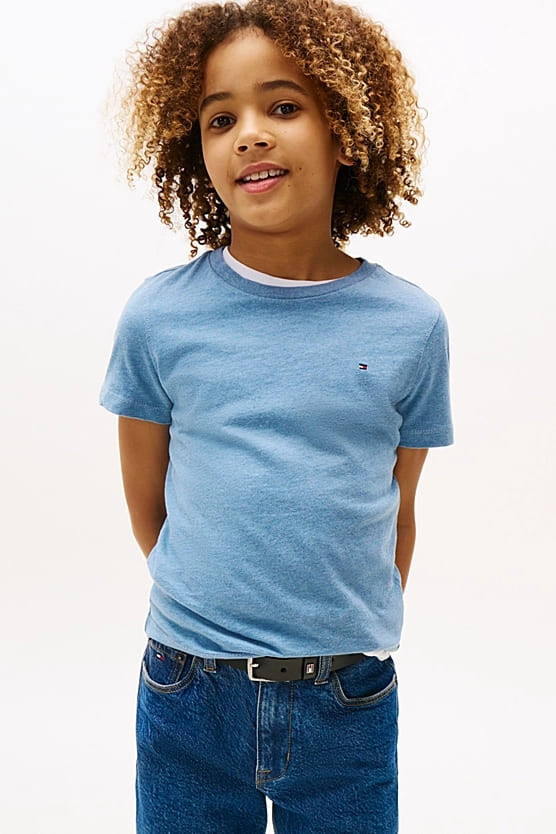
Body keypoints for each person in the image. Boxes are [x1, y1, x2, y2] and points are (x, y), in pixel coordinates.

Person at [99, 1, 454, 831]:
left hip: (347, 700)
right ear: (197, 150)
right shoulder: (158, 318)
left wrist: (330, 625)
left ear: (346, 131)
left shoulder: (412, 325)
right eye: (221, 119)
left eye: (283, 106)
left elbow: (395, 508)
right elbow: (149, 505)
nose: (249, 135)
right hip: (188, 692)